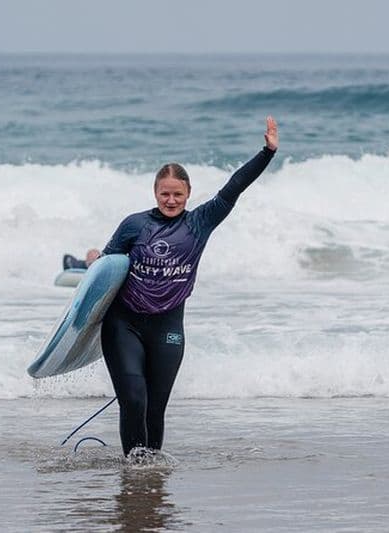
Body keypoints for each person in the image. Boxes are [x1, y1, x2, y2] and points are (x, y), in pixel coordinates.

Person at [96, 116, 279, 457]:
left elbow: (234, 187)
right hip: (124, 324)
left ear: (188, 194)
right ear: (155, 192)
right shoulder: (134, 225)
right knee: (134, 398)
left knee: (155, 407)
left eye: (177, 194)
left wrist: (266, 153)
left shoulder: (200, 222)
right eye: (164, 193)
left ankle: (147, 472)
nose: (170, 200)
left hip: (167, 326)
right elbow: (106, 270)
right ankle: (134, 468)